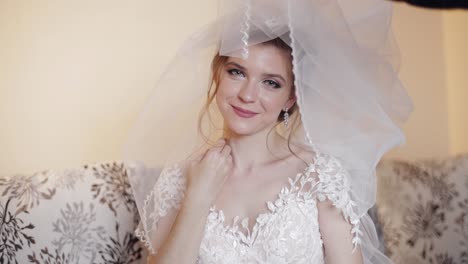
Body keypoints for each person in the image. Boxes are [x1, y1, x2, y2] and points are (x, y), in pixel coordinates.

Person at [123, 0, 413, 263]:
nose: (248, 95)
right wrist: (197, 197)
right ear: (217, 74)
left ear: (290, 98)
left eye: (270, 83)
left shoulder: (319, 177)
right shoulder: (179, 179)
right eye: (237, 72)